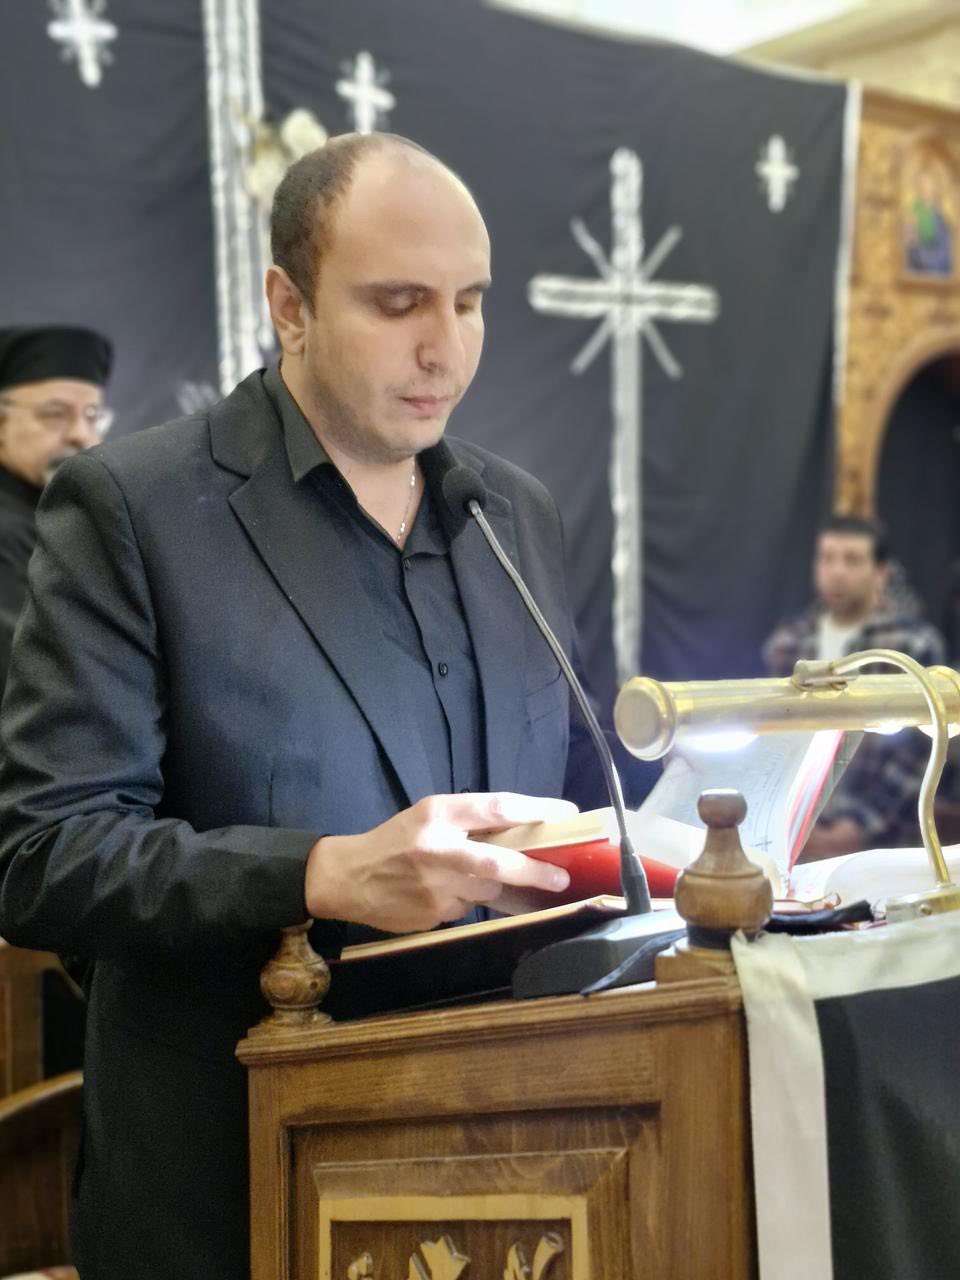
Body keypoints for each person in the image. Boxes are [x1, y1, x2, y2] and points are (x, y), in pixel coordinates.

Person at [0, 134, 653, 1279]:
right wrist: (320, 872)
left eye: (469, 302)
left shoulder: (513, 512)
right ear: (288, 305)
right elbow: (45, 854)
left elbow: (575, 794)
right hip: (232, 1185)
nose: (445, 347)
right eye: (398, 304)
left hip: (522, 1164)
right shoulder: (133, 507)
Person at [764, 513, 945, 859]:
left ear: (880, 572)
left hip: (879, 841)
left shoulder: (912, 645)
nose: (837, 571)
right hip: (792, 828)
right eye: (827, 558)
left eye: (852, 560)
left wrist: (861, 827)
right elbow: (772, 735)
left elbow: (920, 752)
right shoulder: (788, 640)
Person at [0, 325, 112, 693]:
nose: (81, 434)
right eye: (54, 414)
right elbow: (37, 674)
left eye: (92, 415)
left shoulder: (76, 515)